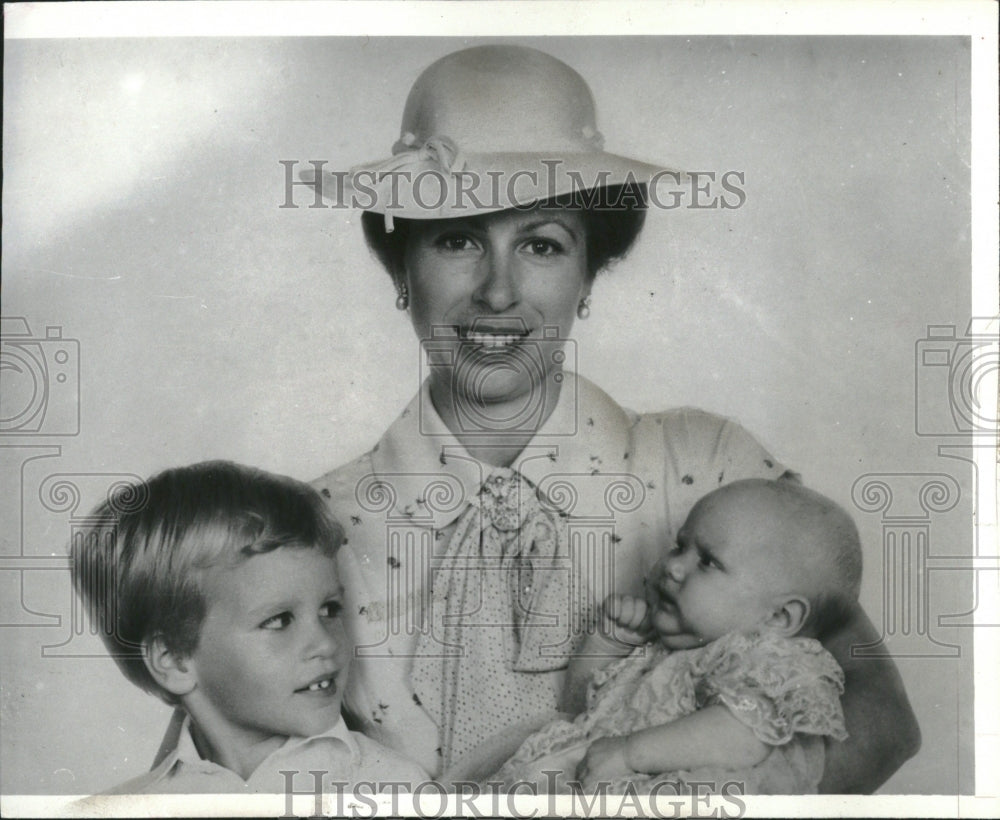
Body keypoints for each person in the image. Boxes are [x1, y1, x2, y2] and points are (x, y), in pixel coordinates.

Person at [309, 44, 920, 791]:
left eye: (542, 244)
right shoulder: (311, 525)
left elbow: (879, 721)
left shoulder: (713, 468)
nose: (498, 293)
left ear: (589, 274)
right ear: (401, 266)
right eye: (458, 239)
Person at [71, 461, 428, 793]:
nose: (325, 643)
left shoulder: (394, 787)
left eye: (330, 609)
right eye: (279, 620)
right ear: (175, 659)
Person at [492, 478, 860, 794]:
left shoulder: (767, 662)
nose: (672, 565)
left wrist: (629, 753)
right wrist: (605, 644)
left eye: (708, 561)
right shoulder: (663, 652)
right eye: (680, 546)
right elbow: (581, 713)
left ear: (779, 616)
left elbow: (743, 737)